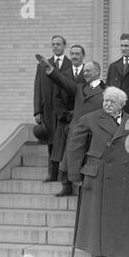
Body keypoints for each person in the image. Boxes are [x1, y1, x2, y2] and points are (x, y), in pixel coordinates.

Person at [67, 87, 129, 257]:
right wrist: (75, 175)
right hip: (98, 178)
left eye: (112, 101)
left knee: (122, 221)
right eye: (106, 100)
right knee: (98, 221)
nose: (107, 104)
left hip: (124, 179)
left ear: (122, 104)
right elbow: (75, 146)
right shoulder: (90, 118)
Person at [35, 56, 107, 178]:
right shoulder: (79, 88)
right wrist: (51, 70)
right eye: (84, 71)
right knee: (74, 173)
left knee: (90, 175)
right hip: (77, 138)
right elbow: (63, 82)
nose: (85, 73)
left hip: (94, 139)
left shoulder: (107, 91)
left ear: (97, 71)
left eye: (88, 70)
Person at [33, 35, 71, 182]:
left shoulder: (70, 64)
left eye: (58, 44)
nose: (55, 46)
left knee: (64, 141)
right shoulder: (43, 65)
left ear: (64, 46)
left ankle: (65, 175)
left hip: (64, 109)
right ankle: (52, 173)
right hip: (48, 109)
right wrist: (37, 111)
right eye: (53, 44)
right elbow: (37, 89)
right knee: (51, 141)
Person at [52, 44, 86, 197]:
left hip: (83, 118)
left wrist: (77, 113)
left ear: (83, 56)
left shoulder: (88, 73)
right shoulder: (63, 74)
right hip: (65, 120)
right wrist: (65, 115)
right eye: (72, 53)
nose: (74, 56)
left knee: (79, 152)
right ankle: (65, 185)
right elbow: (56, 96)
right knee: (64, 153)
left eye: (77, 53)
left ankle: (80, 184)